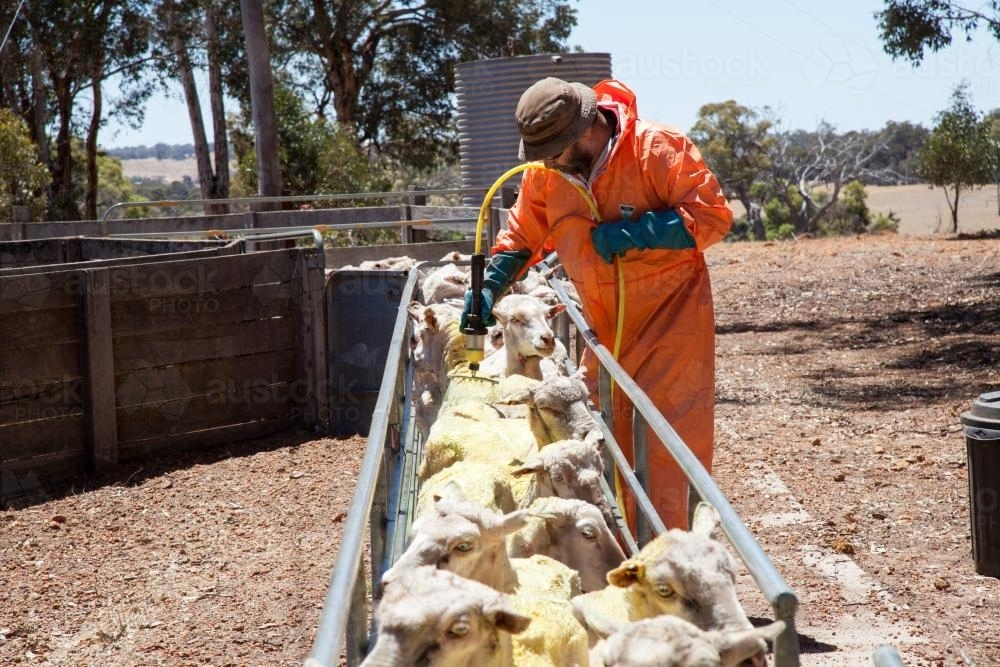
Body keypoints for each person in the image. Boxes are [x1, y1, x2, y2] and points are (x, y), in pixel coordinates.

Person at [461, 77, 733, 530]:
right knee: (604, 444)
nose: (546, 163)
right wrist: (491, 284)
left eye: (553, 151)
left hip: (672, 329)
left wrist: (633, 234)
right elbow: (524, 234)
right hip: (606, 332)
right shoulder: (549, 174)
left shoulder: (655, 148)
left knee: (667, 448)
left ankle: (670, 563)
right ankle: (621, 555)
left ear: (586, 131)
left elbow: (711, 217)